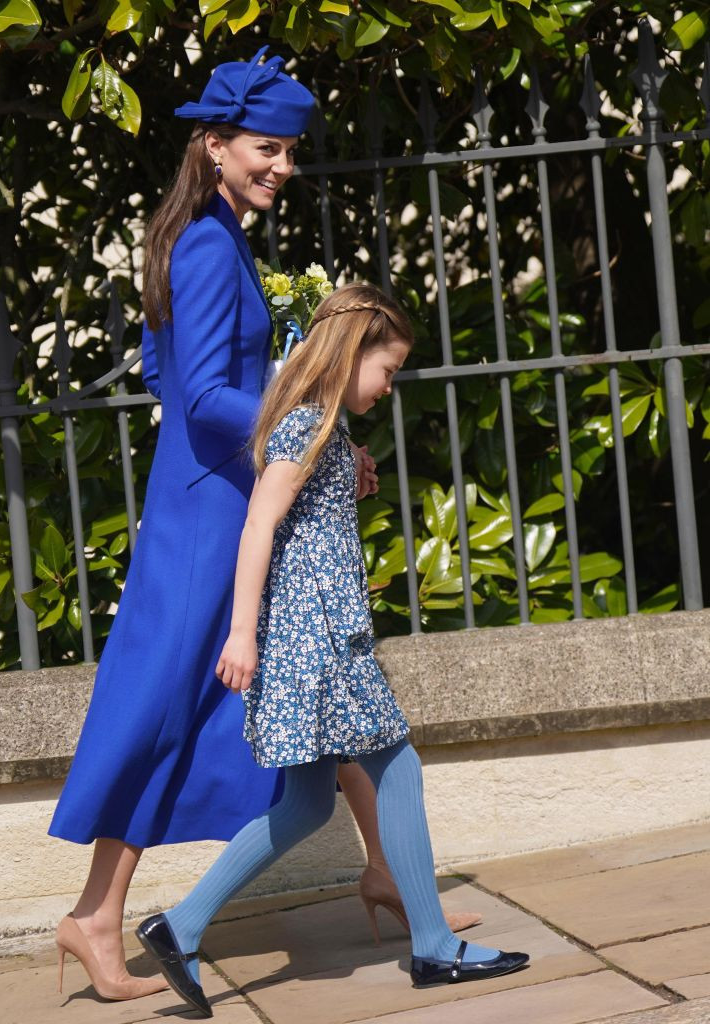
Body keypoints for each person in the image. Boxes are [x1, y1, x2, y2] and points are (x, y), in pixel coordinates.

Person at [48, 49, 478, 1003]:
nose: (282, 165)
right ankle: (97, 916)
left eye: (288, 151)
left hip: (218, 494)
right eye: (265, 149)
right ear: (214, 146)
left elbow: (173, 375)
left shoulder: (213, 235)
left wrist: (306, 437)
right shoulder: (207, 245)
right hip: (207, 513)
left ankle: (383, 868)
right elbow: (202, 396)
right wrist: (310, 433)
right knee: (168, 707)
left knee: (314, 679)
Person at [136, 283, 529, 1018]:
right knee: (398, 768)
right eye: (388, 369)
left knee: (308, 804)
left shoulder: (319, 426)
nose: (389, 386)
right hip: (318, 639)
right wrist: (241, 633)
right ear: (351, 355)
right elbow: (259, 524)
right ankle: (434, 947)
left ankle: (180, 927)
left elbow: (302, 516)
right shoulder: (305, 425)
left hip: (316, 633)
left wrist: (349, 475)